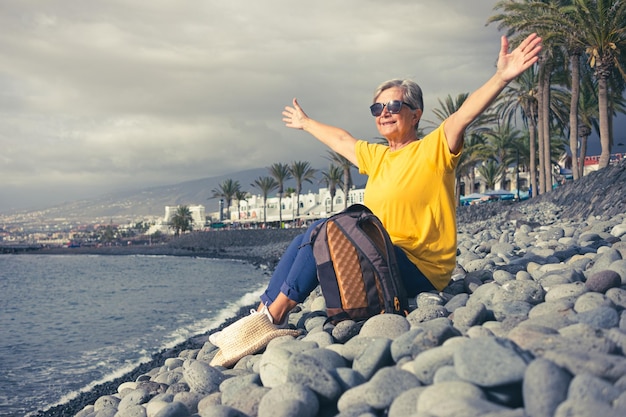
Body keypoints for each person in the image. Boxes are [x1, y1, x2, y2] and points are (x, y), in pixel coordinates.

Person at [209, 33, 542, 367]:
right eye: (377, 108)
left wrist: (502, 76)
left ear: (416, 114)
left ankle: (273, 316)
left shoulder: (434, 150)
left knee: (327, 231)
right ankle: (263, 313)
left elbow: (462, 116)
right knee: (309, 234)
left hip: (419, 268)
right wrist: (306, 123)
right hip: (381, 258)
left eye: (395, 106)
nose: (385, 112)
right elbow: (341, 138)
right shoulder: (378, 158)